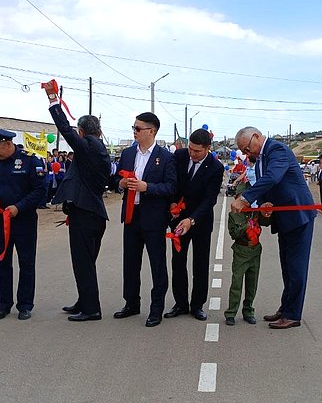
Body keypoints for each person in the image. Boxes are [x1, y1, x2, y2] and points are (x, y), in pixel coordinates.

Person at [230, 127, 317, 329]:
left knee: (296, 268)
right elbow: (267, 185)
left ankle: (293, 314)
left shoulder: (277, 149)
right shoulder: (262, 157)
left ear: (256, 137)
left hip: (298, 216)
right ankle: (286, 308)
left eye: (246, 148)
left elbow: (272, 178)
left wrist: (245, 199)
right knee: (287, 267)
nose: (245, 154)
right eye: (242, 151)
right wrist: (263, 205)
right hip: (284, 218)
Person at [44, 80, 111, 322]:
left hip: (87, 214)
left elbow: (65, 129)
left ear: (83, 132)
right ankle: (84, 301)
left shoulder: (89, 147)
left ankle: (92, 309)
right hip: (90, 212)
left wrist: (54, 101)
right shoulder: (98, 147)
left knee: (83, 262)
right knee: (85, 262)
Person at [113, 112, 176, 327]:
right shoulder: (129, 153)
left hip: (154, 217)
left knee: (157, 264)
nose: (135, 132)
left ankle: (156, 308)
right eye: (134, 128)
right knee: (130, 262)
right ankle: (131, 303)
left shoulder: (165, 157)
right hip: (132, 214)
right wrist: (120, 184)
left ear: (152, 131)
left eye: (138, 129)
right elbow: (116, 179)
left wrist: (147, 187)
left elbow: (171, 187)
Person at [0, 128, 46, 321]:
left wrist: (19, 207)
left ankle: (25, 305)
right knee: (1, 263)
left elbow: (39, 190)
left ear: (8, 144)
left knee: (26, 263)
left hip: (23, 221)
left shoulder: (30, 160)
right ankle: (3, 304)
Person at [165, 128, 224, 321]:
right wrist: (172, 202)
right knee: (178, 262)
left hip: (200, 221)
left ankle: (197, 305)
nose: (192, 153)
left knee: (200, 264)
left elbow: (209, 200)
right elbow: (172, 182)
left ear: (207, 148)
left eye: (197, 151)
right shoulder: (180, 156)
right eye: (190, 148)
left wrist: (192, 219)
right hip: (178, 219)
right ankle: (180, 303)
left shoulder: (216, 168)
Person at [224, 181, 271, 326]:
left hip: (255, 251)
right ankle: (231, 312)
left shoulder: (254, 212)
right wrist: (246, 226)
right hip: (241, 251)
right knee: (236, 283)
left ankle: (248, 310)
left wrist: (266, 212)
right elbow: (233, 233)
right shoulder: (234, 215)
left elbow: (266, 222)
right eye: (240, 197)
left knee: (252, 283)